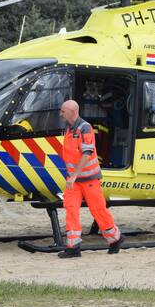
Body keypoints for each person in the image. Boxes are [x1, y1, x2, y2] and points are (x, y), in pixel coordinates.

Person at [58, 99, 123, 258]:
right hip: (74, 180)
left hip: (89, 180)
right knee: (71, 209)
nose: (61, 114)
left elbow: (87, 154)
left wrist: (73, 176)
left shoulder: (85, 128)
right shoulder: (68, 128)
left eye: (63, 111)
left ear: (73, 112)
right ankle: (73, 247)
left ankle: (115, 239)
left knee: (98, 210)